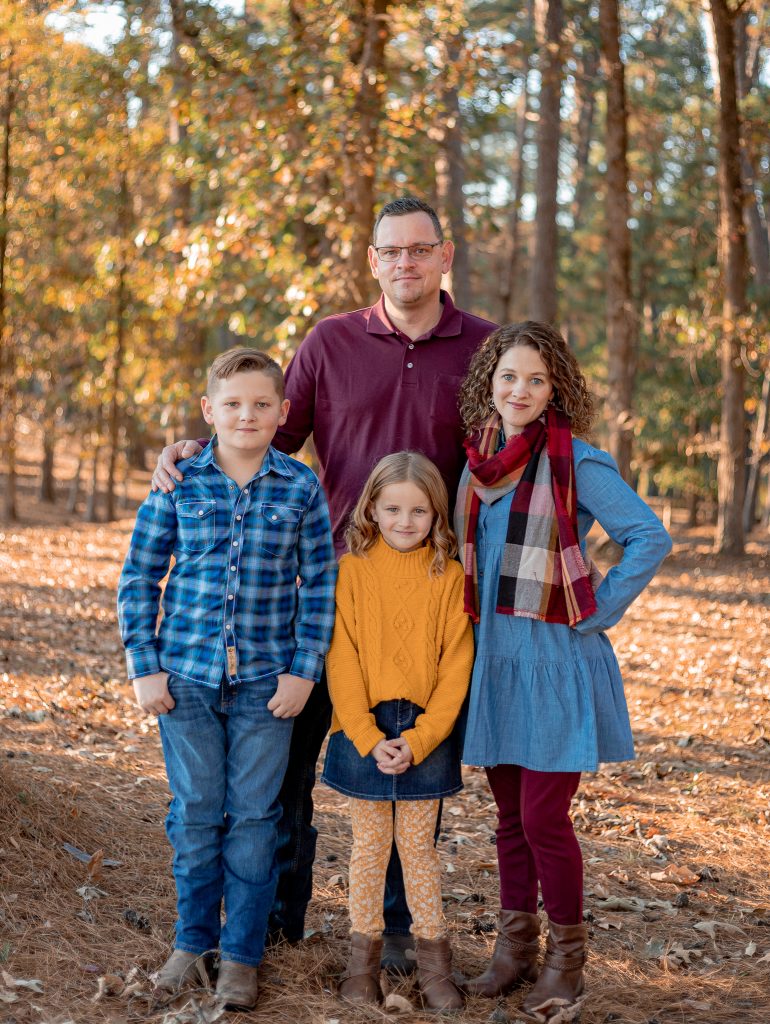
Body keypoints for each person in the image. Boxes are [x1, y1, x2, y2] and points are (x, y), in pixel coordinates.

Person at [151, 196, 497, 968]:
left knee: (410, 759)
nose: (405, 263)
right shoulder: (331, 341)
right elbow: (264, 436)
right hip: (323, 586)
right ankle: (274, 921)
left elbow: (510, 450)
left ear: (445, 256)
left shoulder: (483, 347)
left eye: (420, 249)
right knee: (285, 764)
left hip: (429, 594)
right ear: (372, 260)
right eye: (391, 251)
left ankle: (399, 932)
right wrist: (192, 449)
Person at [453, 322, 672, 1017]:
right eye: (508, 376)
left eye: (536, 379)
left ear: (556, 390)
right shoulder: (476, 463)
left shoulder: (578, 460)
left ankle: (565, 962)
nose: (520, 390)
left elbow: (648, 536)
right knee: (508, 819)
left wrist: (598, 609)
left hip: (554, 662)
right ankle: (513, 952)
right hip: (493, 661)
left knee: (544, 818)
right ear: (489, 382)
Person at [117, 348, 337, 1010]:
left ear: (283, 411)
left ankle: (241, 954)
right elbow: (139, 574)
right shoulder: (179, 480)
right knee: (196, 814)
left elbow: (320, 585)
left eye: (261, 404)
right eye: (233, 404)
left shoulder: (300, 487)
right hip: (185, 681)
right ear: (209, 411)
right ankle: (192, 942)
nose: (247, 415)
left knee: (254, 819)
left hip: (267, 688)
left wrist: (304, 671)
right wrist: (144, 665)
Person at [321, 452, 473, 1011]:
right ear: (371, 510)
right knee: (368, 850)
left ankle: (434, 968)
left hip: (424, 734)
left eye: (419, 511)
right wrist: (366, 735)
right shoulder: (353, 572)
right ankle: (361, 966)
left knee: (418, 851)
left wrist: (421, 739)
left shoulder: (449, 577)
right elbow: (341, 658)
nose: (405, 521)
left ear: (437, 515)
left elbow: (456, 666)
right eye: (392, 509)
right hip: (363, 727)